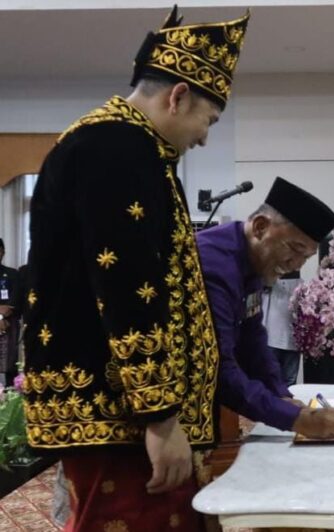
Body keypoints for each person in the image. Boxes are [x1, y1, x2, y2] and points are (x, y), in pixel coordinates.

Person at [22, 6, 249, 530]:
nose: (205, 137)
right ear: (178, 96)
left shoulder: (128, 145)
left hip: (129, 415)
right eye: (209, 120)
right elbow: (127, 286)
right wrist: (161, 418)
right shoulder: (117, 147)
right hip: (121, 416)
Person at [196, 177, 334, 439]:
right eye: (294, 249)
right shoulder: (213, 265)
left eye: (305, 257)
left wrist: (281, 396)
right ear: (260, 227)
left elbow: (253, 339)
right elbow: (218, 368)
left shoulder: (251, 260)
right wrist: (293, 418)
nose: (295, 264)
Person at [263, 270, 302, 386]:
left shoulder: (301, 287)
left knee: (289, 382)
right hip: (271, 337)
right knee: (271, 380)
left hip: (292, 338)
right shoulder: (268, 279)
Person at [0, 238, 20, 386]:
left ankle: (9, 395)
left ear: (3, 253)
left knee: (9, 366)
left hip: (8, 325)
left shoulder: (12, 274)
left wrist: (1, 316)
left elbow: (16, 301)